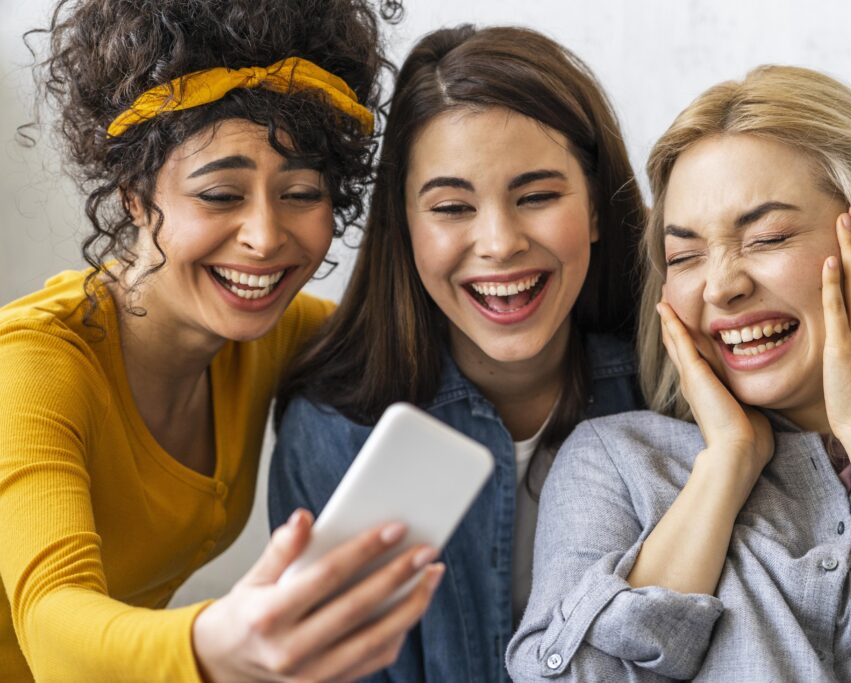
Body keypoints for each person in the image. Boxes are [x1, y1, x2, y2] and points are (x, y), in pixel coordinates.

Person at [508, 65, 851, 681]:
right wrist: (725, 463)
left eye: (768, 237)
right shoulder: (614, 462)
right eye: (685, 255)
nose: (723, 286)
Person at [0, 1, 445, 681]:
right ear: (134, 195)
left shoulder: (271, 333)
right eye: (219, 195)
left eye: (300, 192)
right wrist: (217, 641)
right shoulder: (32, 368)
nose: (265, 237)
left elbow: (416, 337)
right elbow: (53, 631)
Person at [269, 24, 647, 682]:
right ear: (406, 226)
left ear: (593, 208)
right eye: (451, 206)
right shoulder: (334, 433)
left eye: (537, 196)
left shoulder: (668, 391)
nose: (498, 242)